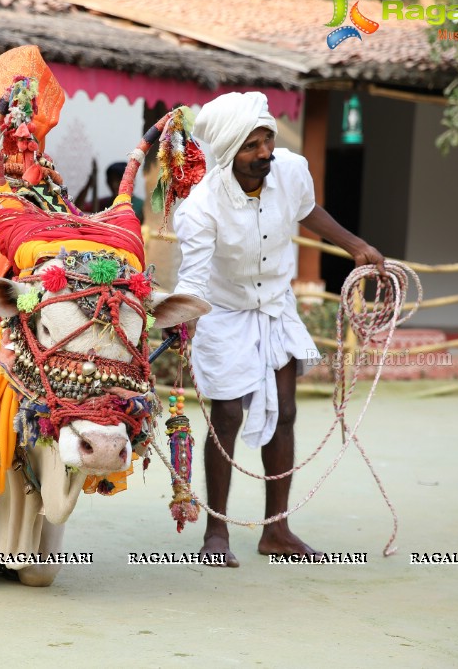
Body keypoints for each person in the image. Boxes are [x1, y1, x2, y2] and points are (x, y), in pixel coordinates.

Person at [170, 91, 384, 567]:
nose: (265, 152)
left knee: (285, 411)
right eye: (252, 145)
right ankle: (216, 533)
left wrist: (356, 246)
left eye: (268, 139)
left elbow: (307, 210)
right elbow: (194, 279)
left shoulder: (290, 169)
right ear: (228, 152)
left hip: (277, 305)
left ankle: (277, 530)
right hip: (223, 311)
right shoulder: (201, 208)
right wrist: (173, 322)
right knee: (226, 415)